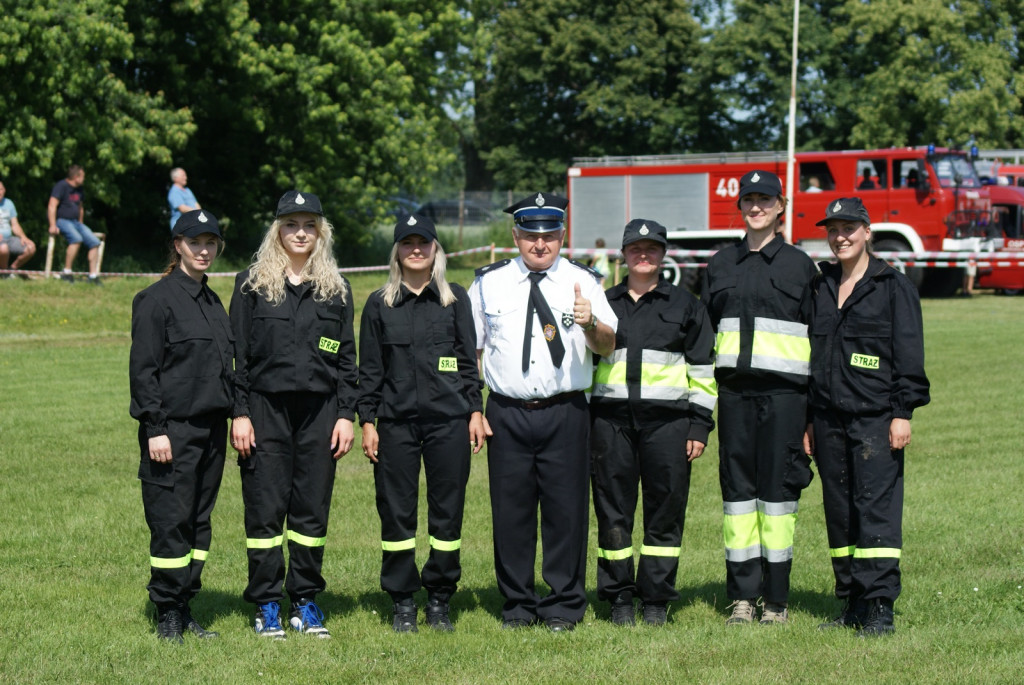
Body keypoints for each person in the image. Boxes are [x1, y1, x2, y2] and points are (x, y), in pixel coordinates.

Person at [469, 192, 617, 632]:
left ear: (562, 236)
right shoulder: (488, 282)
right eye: (531, 235)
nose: (540, 244)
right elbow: (472, 350)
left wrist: (591, 323)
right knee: (510, 512)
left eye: (549, 235)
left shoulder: (585, 281)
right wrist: (473, 408)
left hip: (565, 411)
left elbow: (608, 345)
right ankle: (517, 603)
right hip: (506, 413)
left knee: (566, 511)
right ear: (515, 236)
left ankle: (563, 604)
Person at [230, 190, 357, 639]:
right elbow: (238, 357)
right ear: (277, 230)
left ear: (320, 231)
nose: (300, 233)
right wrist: (240, 413)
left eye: (308, 225)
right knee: (265, 511)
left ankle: (305, 600)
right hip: (265, 410)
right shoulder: (251, 284)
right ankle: (266, 603)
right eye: (290, 224)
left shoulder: (336, 288)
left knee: (310, 511)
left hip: (320, 414)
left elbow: (346, 359)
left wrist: (347, 415)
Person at [804, 198, 929, 637]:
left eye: (849, 228)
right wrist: (808, 419)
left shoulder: (892, 286)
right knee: (839, 513)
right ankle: (852, 602)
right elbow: (812, 357)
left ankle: (879, 606)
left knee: (875, 510)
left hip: (876, 419)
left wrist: (902, 413)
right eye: (833, 229)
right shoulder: (820, 286)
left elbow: (909, 355)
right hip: (826, 419)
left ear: (867, 231)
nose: (840, 236)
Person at [700, 170, 818, 625]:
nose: (756, 207)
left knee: (778, 497)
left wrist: (813, 411)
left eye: (764, 200)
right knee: (738, 499)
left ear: (781, 206)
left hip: (786, 398)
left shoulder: (800, 266)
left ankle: (777, 601)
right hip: (734, 397)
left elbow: (818, 336)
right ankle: (744, 598)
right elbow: (706, 333)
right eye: (748, 200)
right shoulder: (719, 265)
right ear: (740, 207)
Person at [358, 214, 486, 633]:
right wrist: (368, 421)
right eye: (407, 242)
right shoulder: (380, 303)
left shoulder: (455, 299)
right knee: (396, 514)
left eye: (424, 242)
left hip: (449, 423)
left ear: (436, 248)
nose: (416, 249)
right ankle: (402, 601)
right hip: (395, 425)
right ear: (396, 250)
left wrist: (475, 410)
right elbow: (370, 369)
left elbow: (468, 361)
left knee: (447, 515)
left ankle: (439, 599)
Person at [589, 219, 717, 626]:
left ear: (663, 254)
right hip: (610, 425)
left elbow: (703, 370)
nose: (643, 255)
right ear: (623, 255)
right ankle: (619, 598)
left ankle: (657, 600)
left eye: (652, 248)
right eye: (635, 248)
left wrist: (699, 425)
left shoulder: (686, 305)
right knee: (613, 513)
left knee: (665, 513)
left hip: (669, 426)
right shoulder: (603, 305)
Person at [129, 209, 233, 643]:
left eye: (211, 243)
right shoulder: (155, 299)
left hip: (212, 430)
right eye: (196, 242)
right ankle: (167, 612)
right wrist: (154, 427)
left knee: (198, 522)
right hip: (171, 431)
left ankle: (187, 602)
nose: (204, 250)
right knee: (171, 521)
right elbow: (143, 370)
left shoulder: (213, 301)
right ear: (178, 246)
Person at [47, 164, 103, 285]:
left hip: (76, 222)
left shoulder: (79, 189)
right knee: (76, 239)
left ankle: (93, 276)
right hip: (62, 221)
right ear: (76, 177)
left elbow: (80, 207)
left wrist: (81, 223)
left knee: (95, 242)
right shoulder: (61, 186)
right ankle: (67, 272)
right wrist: (52, 225)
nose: (84, 178)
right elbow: (52, 205)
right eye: (83, 176)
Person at [0, 180, 37, 276]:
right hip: (1, 242)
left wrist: (23, 237)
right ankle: (4, 273)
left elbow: (15, 224)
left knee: (31, 247)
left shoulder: (9, 203)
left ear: (4, 190)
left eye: (1, 189)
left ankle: (12, 269)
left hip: (9, 238)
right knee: (3, 248)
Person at [167, 168, 202, 232]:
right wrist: (198, 214)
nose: (186, 178)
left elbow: (196, 204)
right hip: (181, 226)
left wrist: (200, 214)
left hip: (193, 224)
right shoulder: (174, 192)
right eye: (183, 176)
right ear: (175, 178)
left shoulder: (188, 190)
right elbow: (183, 209)